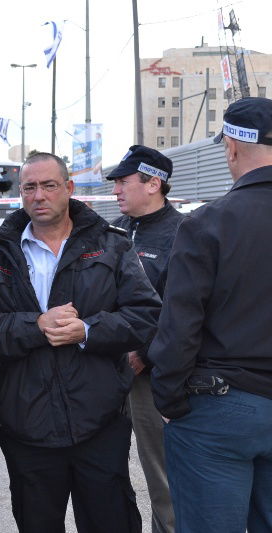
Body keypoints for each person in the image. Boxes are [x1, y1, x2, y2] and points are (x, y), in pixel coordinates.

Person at [0, 152, 161, 533]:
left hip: (99, 420)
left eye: (49, 185)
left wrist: (87, 330)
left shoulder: (111, 245)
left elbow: (146, 315)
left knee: (111, 522)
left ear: (68, 188)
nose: (39, 195)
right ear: (20, 193)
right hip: (27, 423)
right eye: (29, 187)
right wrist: (36, 326)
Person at [148, 97, 272, 533]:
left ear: (233, 148)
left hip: (219, 409)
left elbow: (179, 324)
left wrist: (168, 399)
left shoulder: (208, 223)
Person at [109, 145, 182, 533]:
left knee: (162, 478)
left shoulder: (183, 233)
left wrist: (144, 355)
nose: (116, 189)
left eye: (124, 181)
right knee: (104, 470)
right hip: (106, 370)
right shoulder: (116, 229)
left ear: (154, 184)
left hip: (150, 378)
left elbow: (183, 310)